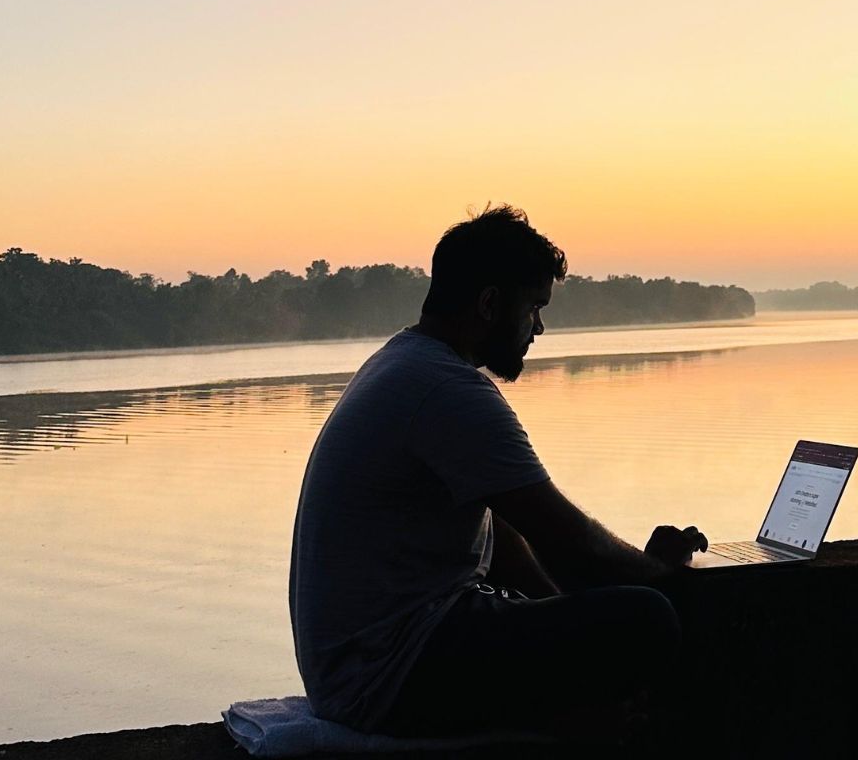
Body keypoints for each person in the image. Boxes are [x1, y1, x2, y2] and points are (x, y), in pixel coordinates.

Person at [288, 205, 708, 741]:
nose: (539, 327)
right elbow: (569, 538)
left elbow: (507, 540)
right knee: (647, 619)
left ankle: (571, 718)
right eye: (533, 307)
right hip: (389, 675)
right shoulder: (448, 389)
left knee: (599, 602)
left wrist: (561, 605)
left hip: (363, 669)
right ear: (490, 303)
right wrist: (664, 577)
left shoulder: (404, 362)